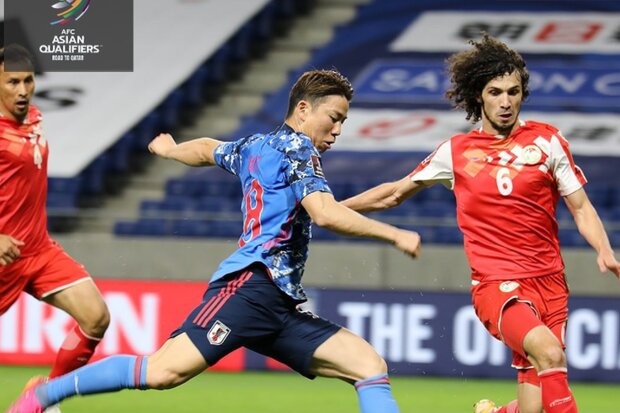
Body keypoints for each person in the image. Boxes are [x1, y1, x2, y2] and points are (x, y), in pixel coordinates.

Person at [6, 68, 422, 413]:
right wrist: (394, 234)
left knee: (367, 364)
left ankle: (45, 395)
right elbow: (326, 213)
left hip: (278, 303)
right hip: (250, 288)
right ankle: (43, 396)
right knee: (162, 372)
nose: (338, 129)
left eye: (343, 121)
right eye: (334, 117)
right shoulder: (299, 150)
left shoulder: (257, 146)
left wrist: (172, 151)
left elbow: (208, 149)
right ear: (303, 109)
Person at [340, 34, 620, 413]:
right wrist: (331, 208)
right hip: (497, 286)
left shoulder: (547, 142)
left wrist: (603, 249)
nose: (506, 102)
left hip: (551, 283)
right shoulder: (456, 152)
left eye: (513, 92)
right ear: (478, 96)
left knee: (534, 406)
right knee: (551, 354)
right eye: (495, 92)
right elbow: (393, 194)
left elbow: (581, 208)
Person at [0, 44, 110, 410]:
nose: (23, 90)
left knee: (95, 318)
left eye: (28, 80)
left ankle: (44, 397)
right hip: (3, 257)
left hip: (38, 250)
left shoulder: (33, 117)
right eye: (12, 82)